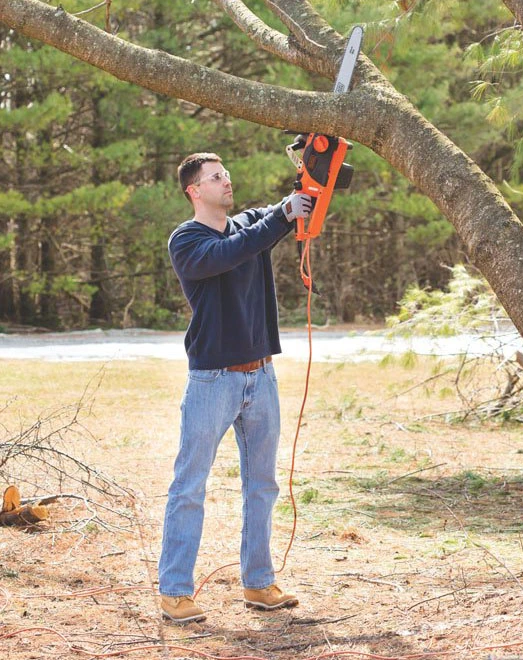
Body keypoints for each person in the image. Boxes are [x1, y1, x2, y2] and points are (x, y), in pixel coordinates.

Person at [158, 152, 312, 623]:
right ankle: (175, 591)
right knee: (189, 484)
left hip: (261, 375)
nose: (226, 181)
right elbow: (232, 252)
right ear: (194, 190)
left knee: (262, 485)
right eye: (215, 177)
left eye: (226, 173)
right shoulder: (187, 240)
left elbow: (278, 217)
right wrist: (282, 214)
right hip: (213, 379)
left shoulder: (248, 224)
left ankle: (259, 583)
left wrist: (312, 174)